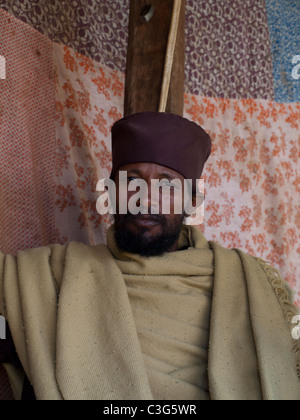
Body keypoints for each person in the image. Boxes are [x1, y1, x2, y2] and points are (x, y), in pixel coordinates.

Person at [0, 112, 299, 400]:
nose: (146, 199)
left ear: (192, 202)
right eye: (132, 180)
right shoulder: (53, 276)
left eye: (168, 184)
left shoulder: (249, 283)